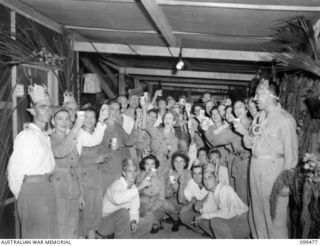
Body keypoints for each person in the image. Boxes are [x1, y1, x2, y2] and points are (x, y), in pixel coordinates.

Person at [234, 79, 298, 238]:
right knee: (257, 215)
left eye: (258, 94)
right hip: (255, 169)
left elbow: (292, 157)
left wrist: (285, 184)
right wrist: (244, 133)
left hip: (273, 172)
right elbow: (249, 143)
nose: (255, 99)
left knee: (274, 217)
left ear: (270, 95)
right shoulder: (259, 117)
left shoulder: (285, 120)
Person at [7, 84, 58, 238]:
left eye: (49, 107)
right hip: (33, 193)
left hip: (48, 189)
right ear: (33, 110)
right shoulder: (27, 136)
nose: (48, 110)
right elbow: (14, 172)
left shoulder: (45, 136)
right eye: (43, 107)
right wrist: (24, 198)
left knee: (49, 236)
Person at [50, 105, 108, 238]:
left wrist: (101, 121)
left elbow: (93, 141)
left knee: (73, 226)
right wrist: (76, 128)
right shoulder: (49, 137)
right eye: (60, 119)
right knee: (61, 227)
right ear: (53, 121)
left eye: (67, 119)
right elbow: (60, 152)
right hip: (57, 189)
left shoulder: (75, 135)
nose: (64, 122)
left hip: (73, 187)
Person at [98, 158, 153, 239]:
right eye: (129, 171)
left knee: (148, 218)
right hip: (104, 223)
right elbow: (118, 200)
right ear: (124, 173)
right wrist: (139, 188)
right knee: (123, 213)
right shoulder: (116, 184)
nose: (133, 174)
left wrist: (133, 221)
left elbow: (134, 209)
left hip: (122, 223)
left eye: (134, 171)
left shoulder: (133, 187)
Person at [194, 168, 250, 239]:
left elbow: (225, 213)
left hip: (242, 222)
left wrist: (203, 216)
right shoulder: (212, 192)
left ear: (216, 178)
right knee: (201, 221)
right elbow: (209, 210)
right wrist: (200, 207)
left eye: (209, 177)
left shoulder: (224, 189)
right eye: (204, 178)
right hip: (232, 220)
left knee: (215, 222)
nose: (206, 181)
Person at [136, 155, 166, 234]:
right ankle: (153, 221)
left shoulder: (161, 178)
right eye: (147, 164)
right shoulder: (139, 176)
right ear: (144, 165)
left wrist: (153, 209)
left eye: (152, 164)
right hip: (142, 203)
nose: (150, 167)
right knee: (142, 214)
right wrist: (146, 178)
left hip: (156, 204)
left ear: (155, 165)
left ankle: (155, 220)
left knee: (153, 219)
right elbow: (136, 193)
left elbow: (161, 198)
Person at [165, 152, 192, 232]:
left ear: (185, 163)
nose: (178, 164)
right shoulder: (171, 174)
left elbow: (184, 196)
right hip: (175, 200)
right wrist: (168, 186)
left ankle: (180, 218)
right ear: (173, 163)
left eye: (181, 161)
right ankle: (176, 218)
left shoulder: (189, 173)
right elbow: (167, 195)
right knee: (162, 202)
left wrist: (175, 183)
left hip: (187, 201)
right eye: (176, 161)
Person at [179, 165, 208, 233]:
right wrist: (181, 184)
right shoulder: (192, 182)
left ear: (204, 173)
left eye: (199, 173)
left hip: (211, 209)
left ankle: (208, 229)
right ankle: (201, 231)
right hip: (199, 209)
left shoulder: (209, 180)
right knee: (183, 212)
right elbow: (181, 200)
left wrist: (200, 201)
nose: (196, 177)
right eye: (194, 174)